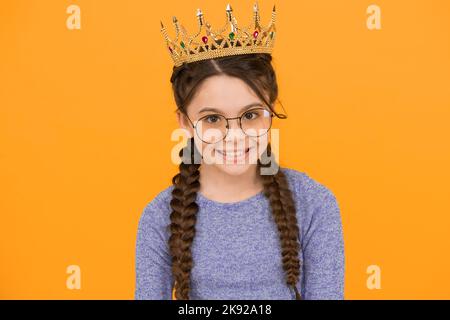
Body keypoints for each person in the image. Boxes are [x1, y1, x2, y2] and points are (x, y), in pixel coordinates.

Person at [135, 3, 345, 300]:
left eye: (250, 115)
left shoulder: (314, 203)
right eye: (212, 119)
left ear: (271, 110)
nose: (234, 136)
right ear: (185, 122)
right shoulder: (159, 217)